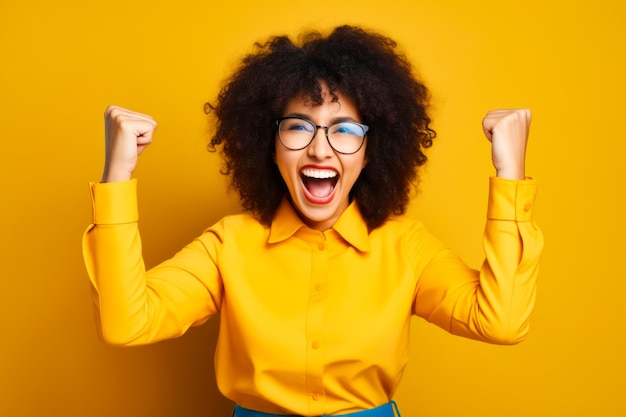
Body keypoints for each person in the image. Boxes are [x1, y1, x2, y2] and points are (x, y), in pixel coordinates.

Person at [83, 25, 543, 417]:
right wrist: (117, 175)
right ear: (271, 145)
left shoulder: (406, 245)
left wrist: (510, 175)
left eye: (344, 129)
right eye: (299, 126)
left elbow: (500, 322)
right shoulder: (228, 245)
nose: (320, 149)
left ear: (370, 152)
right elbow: (128, 323)